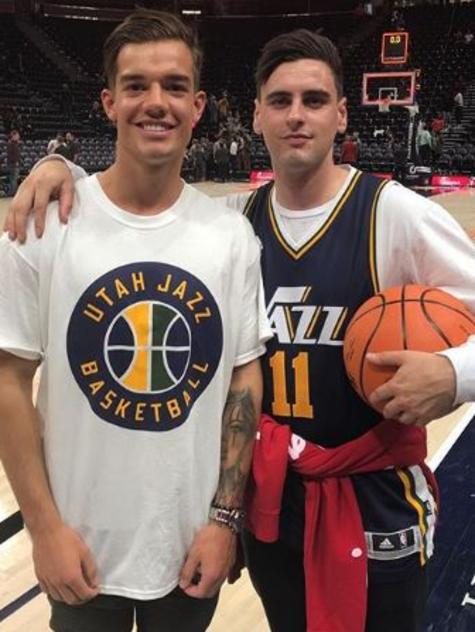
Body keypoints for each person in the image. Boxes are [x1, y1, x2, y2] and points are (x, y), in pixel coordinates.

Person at [5, 28, 475, 632]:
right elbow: (145, 202)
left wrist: (454, 373)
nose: (296, 117)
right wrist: (59, 165)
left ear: (341, 112)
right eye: (280, 101)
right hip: (272, 499)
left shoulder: (394, 213)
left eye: (313, 100)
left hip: (371, 498)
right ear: (255, 116)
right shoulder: (233, 223)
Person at [0, 10, 270, 632]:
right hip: (79, 554)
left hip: (188, 554)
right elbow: (9, 382)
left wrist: (224, 522)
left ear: (199, 105)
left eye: (174, 86)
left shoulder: (230, 237)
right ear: (108, 101)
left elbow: (243, 382)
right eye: (136, 86)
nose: (157, 102)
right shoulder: (43, 224)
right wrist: (43, 531)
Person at [6, 129, 21, 196]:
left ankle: (12, 192)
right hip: (13, 164)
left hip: (14, 164)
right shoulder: (11, 144)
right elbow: (11, 155)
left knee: (14, 179)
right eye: (17, 135)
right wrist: (15, 162)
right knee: (13, 179)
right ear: (13, 136)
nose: (18, 136)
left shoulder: (15, 144)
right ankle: (12, 193)